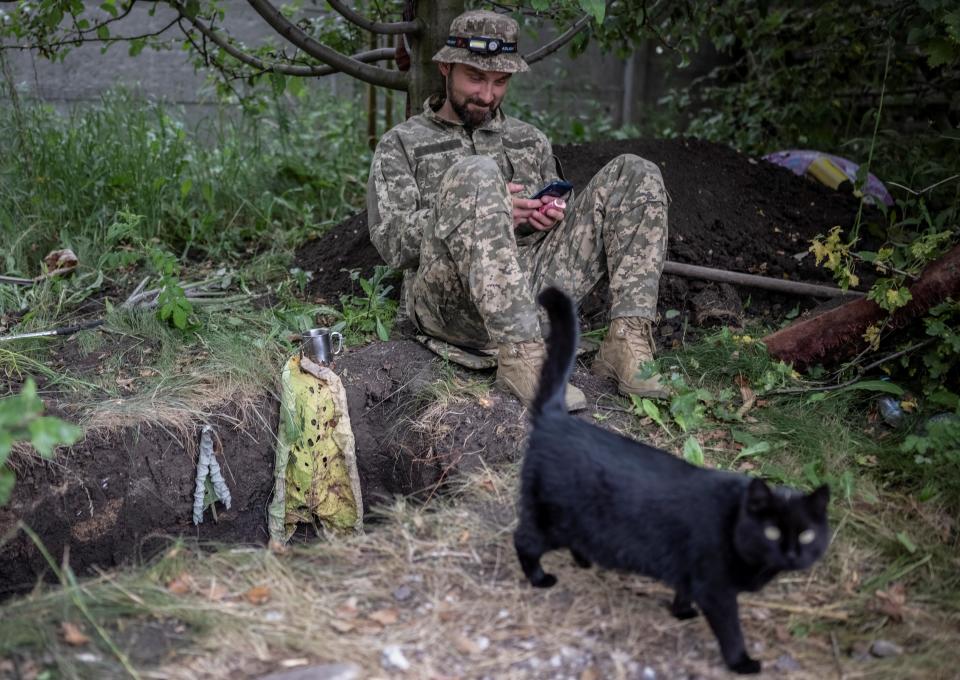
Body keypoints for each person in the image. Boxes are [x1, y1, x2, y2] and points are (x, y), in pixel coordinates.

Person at [367, 9, 668, 411]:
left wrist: (544, 217)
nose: (487, 95)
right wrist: (477, 212)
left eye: (500, 81)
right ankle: (521, 356)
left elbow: (568, 228)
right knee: (477, 174)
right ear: (445, 67)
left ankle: (626, 342)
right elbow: (392, 244)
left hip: (533, 292)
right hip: (451, 305)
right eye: (475, 78)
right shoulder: (402, 144)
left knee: (636, 171)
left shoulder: (530, 140)